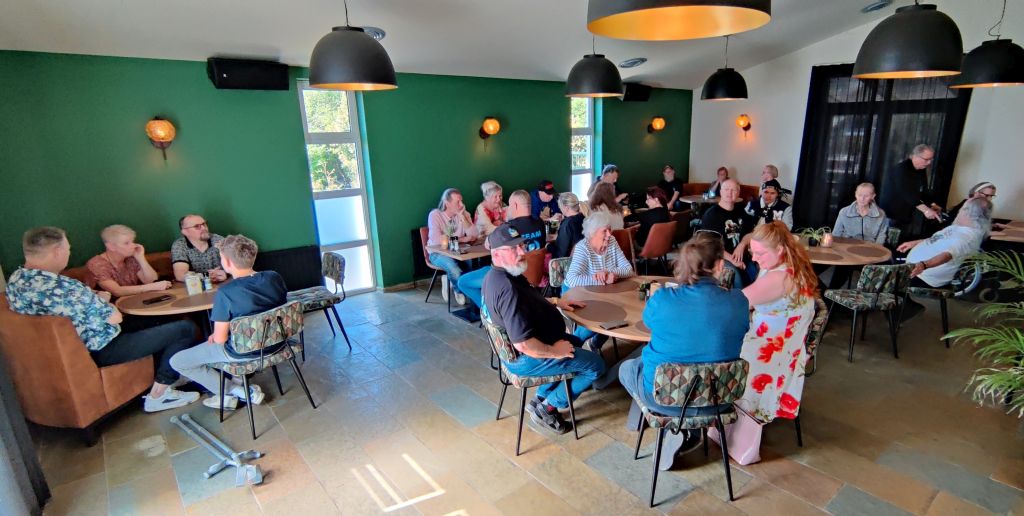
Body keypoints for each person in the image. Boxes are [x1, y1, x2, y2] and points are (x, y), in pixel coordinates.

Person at [6, 227, 199, 412]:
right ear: (57, 251)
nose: (69, 254)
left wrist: (94, 299)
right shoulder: (63, 286)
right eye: (68, 249)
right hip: (102, 346)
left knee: (161, 319)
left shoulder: (16, 280)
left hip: (67, 351)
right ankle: (160, 394)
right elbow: (114, 318)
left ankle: (171, 372)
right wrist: (103, 300)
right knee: (185, 328)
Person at [619, 232, 750, 470]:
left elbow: (649, 322)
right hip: (718, 401)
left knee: (627, 368)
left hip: (664, 400)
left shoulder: (663, 298)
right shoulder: (739, 301)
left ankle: (673, 426)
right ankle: (691, 430)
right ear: (720, 265)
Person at [482, 222, 606, 435]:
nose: (522, 252)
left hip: (538, 343)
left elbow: (528, 301)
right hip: (528, 357)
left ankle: (540, 397)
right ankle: (548, 407)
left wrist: (556, 302)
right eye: (513, 248)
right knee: (595, 366)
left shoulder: (499, 275)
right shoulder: (507, 289)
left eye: (521, 245)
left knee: (578, 340)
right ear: (496, 254)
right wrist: (554, 351)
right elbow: (523, 344)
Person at [170, 235, 285, 410]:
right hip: (278, 342)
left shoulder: (226, 292)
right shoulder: (274, 277)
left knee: (178, 361)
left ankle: (234, 391)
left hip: (244, 351)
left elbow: (220, 340)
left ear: (228, 262)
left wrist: (216, 335)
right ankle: (237, 387)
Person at [737, 221, 817, 427]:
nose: (754, 258)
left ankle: (719, 416)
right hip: (789, 348)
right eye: (752, 252)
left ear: (779, 249)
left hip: (771, 352)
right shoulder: (793, 264)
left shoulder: (780, 278)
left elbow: (734, 304)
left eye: (760, 253)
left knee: (713, 352)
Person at [898, 198, 992, 319]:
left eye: (963, 208)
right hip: (917, 269)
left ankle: (906, 311)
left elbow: (947, 256)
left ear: (969, 213)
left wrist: (924, 265)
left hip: (926, 277)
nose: (960, 211)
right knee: (886, 266)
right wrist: (914, 243)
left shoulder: (968, 237)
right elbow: (937, 239)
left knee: (886, 279)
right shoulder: (959, 227)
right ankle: (905, 306)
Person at [459, 190, 545, 310]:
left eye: (509, 205)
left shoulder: (508, 228)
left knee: (462, 282)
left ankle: (489, 310)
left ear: (515, 205)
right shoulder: (540, 223)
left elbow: (488, 245)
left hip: (509, 276)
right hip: (534, 276)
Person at [564, 211, 635, 350]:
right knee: (599, 317)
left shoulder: (612, 242)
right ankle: (573, 345)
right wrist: (601, 279)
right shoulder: (582, 248)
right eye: (605, 231)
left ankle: (594, 344)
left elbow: (628, 269)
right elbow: (572, 280)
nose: (609, 234)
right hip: (575, 292)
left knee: (618, 313)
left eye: (610, 229)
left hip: (601, 292)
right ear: (593, 233)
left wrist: (611, 272)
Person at [828, 183, 891, 289]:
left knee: (885, 271)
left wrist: (874, 254)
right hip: (847, 252)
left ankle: (871, 296)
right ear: (855, 194)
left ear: (873, 196)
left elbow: (882, 236)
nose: (862, 198)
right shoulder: (844, 212)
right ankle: (829, 294)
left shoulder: (881, 214)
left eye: (866, 196)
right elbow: (836, 235)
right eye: (859, 195)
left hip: (871, 253)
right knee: (840, 270)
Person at [86, 224, 172, 298]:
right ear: (111, 246)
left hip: (134, 302)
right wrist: (150, 287)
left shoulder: (130, 258)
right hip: (110, 308)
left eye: (133, 241)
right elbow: (117, 291)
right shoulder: (97, 263)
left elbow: (152, 280)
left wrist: (141, 258)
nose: (133, 245)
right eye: (126, 243)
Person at [427, 188, 480, 306]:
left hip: (459, 251)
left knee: (476, 264)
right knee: (453, 268)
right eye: (458, 202)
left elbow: (474, 235)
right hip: (437, 253)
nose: (462, 205)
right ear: (447, 203)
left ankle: (451, 279)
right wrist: (461, 239)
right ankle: (458, 290)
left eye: (462, 201)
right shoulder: (435, 215)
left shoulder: (464, 214)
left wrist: (463, 218)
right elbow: (436, 240)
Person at [879, 144, 941, 241]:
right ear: (915, 156)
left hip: (906, 214)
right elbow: (907, 193)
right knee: (888, 243)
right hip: (891, 215)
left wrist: (932, 205)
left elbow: (923, 192)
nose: (929, 163)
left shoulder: (921, 169)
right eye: (926, 159)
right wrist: (926, 210)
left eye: (931, 159)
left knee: (901, 242)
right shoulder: (901, 170)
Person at [700, 179, 755, 287]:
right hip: (719, 258)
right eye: (726, 189)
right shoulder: (711, 215)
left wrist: (742, 244)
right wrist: (732, 260)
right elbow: (709, 245)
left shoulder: (741, 211)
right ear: (721, 192)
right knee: (736, 278)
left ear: (738, 193)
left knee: (756, 274)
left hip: (741, 256)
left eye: (734, 190)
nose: (730, 193)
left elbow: (751, 233)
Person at [172, 214, 228, 283]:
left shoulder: (218, 240)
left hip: (223, 284)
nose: (204, 228)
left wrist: (226, 273)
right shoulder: (180, 245)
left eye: (204, 224)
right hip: (196, 287)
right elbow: (180, 275)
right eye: (197, 226)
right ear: (185, 232)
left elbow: (236, 264)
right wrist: (206, 276)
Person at [549, 192, 584, 259]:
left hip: (569, 261)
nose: (560, 209)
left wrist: (548, 246)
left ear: (566, 208)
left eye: (560, 207)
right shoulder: (583, 218)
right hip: (582, 259)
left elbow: (561, 254)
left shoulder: (567, 224)